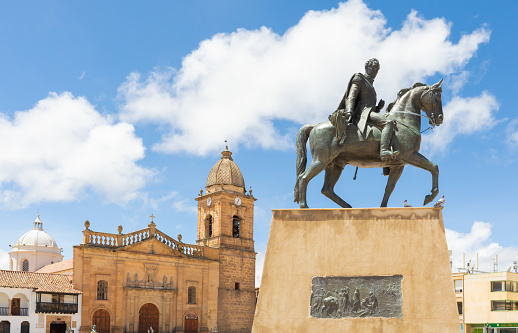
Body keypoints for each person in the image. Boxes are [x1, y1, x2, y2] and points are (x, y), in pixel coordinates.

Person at [333, 58, 399, 160]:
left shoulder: (371, 86)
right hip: (362, 113)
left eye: (377, 69)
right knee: (388, 123)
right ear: (367, 67)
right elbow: (351, 96)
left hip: (368, 113)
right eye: (373, 67)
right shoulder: (359, 78)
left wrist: (377, 108)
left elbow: (369, 106)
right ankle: (384, 151)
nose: (375, 71)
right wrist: (349, 112)